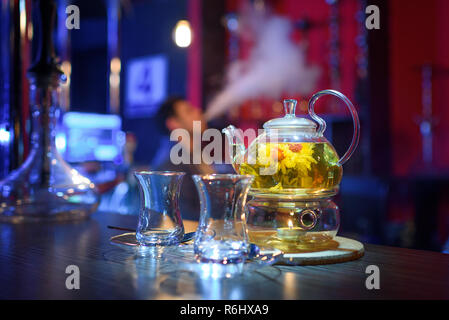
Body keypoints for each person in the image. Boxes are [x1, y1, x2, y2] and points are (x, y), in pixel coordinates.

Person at [154, 97, 215, 221]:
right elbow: (184, 215)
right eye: (189, 111)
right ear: (173, 123)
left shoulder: (194, 156)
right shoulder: (170, 164)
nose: (198, 111)